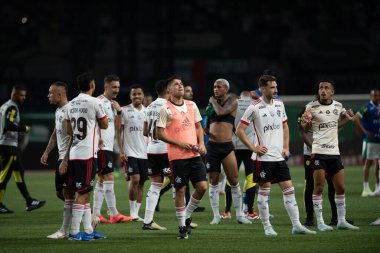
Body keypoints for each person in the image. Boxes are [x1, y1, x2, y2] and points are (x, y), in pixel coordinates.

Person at [236, 74, 315, 236]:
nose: (275, 90)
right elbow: (239, 130)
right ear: (262, 89)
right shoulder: (254, 107)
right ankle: (267, 227)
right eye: (272, 87)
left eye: (276, 87)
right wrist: (253, 147)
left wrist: (285, 147)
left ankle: (297, 226)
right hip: (263, 158)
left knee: (289, 190)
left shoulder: (279, 104)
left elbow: (285, 127)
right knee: (265, 191)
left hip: (279, 158)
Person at [301, 80, 359, 231]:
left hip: (334, 153)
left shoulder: (338, 106)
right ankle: (319, 222)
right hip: (319, 153)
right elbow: (305, 128)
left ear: (332, 91)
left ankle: (340, 221)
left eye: (326, 88)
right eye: (321, 88)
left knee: (340, 187)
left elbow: (339, 121)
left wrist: (349, 117)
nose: (323, 90)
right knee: (318, 187)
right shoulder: (311, 107)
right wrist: (306, 122)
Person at [156, 76, 207, 239]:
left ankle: (187, 215)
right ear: (169, 90)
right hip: (177, 156)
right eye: (176, 84)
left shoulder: (192, 105)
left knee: (202, 187)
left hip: (194, 154)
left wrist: (202, 143)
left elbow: (198, 126)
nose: (180, 86)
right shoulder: (165, 108)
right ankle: (181, 227)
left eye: (181, 84)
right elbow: (159, 133)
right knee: (180, 190)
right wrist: (179, 143)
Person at [64, 72, 108, 240]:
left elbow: (69, 130)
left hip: (75, 152)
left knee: (85, 192)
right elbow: (104, 124)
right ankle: (74, 232)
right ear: (92, 85)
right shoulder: (95, 101)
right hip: (87, 154)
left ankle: (89, 230)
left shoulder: (71, 104)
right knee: (83, 193)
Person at [204, 79, 251, 225]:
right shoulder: (211, 103)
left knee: (234, 180)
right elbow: (206, 125)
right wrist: (210, 133)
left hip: (227, 147)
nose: (215, 89)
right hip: (212, 146)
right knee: (213, 181)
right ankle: (216, 215)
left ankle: (239, 215)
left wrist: (212, 101)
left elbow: (221, 111)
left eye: (219, 87)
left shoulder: (233, 100)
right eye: (214, 86)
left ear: (226, 88)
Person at [0, 85, 45, 214]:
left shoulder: (4, 106)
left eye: (24, 95)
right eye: (21, 95)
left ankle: (29, 201)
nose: (24, 98)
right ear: (14, 94)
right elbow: (9, 125)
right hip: (8, 146)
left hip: (8, 145)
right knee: (4, 176)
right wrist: (23, 129)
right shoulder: (12, 107)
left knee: (19, 173)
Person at [92, 74, 131, 223]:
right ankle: (114, 213)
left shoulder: (113, 104)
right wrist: (98, 137)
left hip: (108, 145)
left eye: (118, 87)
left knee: (102, 180)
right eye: (113, 87)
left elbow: (117, 127)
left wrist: (119, 112)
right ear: (106, 86)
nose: (116, 90)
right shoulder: (99, 102)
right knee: (108, 177)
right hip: (101, 146)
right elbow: (93, 122)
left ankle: (96, 214)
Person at [40, 81, 74, 239]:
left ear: (60, 94)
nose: (48, 95)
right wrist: (47, 151)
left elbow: (74, 137)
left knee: (67, 193)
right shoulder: (58, 111)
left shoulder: (70, 110)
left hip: (70, 158)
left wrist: (66, 159)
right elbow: (55, 133)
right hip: (62, 157)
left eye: (50, 92)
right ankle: (89, 214)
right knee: (60, 193)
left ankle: (64, 231)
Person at [223, 91, 257, 220]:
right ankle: (250, 211)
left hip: (234, 147)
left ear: (240, 96)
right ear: (250, 95)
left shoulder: (233, 104)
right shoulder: (255, 104)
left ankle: (227, 211)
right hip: (249, 146)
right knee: (250, 178)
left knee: (230, 178)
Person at [141, 80, 170, 230]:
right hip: (165, 150)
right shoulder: (168, 106)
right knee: (179, 184)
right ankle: (184, 220)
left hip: (151, 149)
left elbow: (145, 132)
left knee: (155, 185)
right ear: (167, 90)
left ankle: (148, 221)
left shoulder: (150, 106)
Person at [118, 84, 148, 221]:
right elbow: (119, 132)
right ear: (130, 96)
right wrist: (121, 150)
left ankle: (136, 212)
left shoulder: (147, 112)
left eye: (139, 94)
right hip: (130, 152)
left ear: (143, 96)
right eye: (134, 94)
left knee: (141, 183)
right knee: (134, 179)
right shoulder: (124, 111)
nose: (136, 96)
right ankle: (132, 212)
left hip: (145, 152)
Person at [353, 89, 380, 197]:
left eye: (378, 95)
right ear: (371, 97)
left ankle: (378, 187)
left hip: (379, 139)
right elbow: (356, 118)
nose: (377, 97)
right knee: (368, 163)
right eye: (375, 96)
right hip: (371, 140)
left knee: (378, 164)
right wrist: (365, 131)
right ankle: (365, 188)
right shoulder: (367, 107)